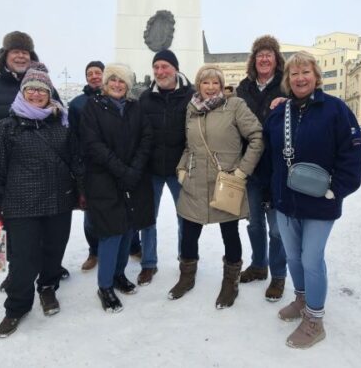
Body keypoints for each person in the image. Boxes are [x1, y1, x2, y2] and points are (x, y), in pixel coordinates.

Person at [263, 51, 361, 349]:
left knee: (311, 258)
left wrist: (338, 189)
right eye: (294, 74)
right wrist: (268, 192)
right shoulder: (279, 113)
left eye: (305, 72)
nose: (300, 78)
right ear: (287, 80)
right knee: (293, 257)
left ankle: (315, 320)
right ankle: (302, 299)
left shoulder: (336, 110)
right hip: (286, 201)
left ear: (316, 76)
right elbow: (269, 156)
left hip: (321, 202)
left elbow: (353, 154)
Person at [0, 31, 68, 291]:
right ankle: (18, 272)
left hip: (43, 170)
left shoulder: (47, 87)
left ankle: (47, 268)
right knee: (15, 227)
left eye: (26, 52)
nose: (21, 56)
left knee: (47, 226)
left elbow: (59, 120)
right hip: (5, 170)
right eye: (15, 51)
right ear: (4, 56)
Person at [0, 65, 82, 338]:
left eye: (42, 90)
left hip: (59, 202)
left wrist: (81, 191)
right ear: (23, 93)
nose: (36, 94)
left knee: (53, 252)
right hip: (21, 205)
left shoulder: (63, 124)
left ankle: (47, 288)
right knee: (23, 261)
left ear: (49, 94)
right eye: (31, 89)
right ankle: (16, 308)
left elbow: (76, 161)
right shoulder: (5, 128)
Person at [169, 65, 264, 309]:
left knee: (229, 233)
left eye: (215, 83)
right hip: (194, 181)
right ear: (198, 85)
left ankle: (230, 283)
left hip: (225, 183)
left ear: (222, 86)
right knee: (189, 232)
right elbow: (190, 146)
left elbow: (256, 137)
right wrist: (181, 169)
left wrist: (243, 171)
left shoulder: (235, 106)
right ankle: (186, 276)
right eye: (205, 82)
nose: (210, 88)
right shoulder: (192, 109)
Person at [79, 63, 155, 313]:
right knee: (111, 233)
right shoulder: (93, 107)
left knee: (128, 229)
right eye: (112, 80)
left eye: (122, 81)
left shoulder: (135, 108)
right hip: (104, 180)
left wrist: (134, 170)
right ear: (105, 83)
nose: (117, 84)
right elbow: (93, 144)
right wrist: (122, 170)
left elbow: (146, 138)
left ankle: (119, 275)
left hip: (134, 179)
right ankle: (105, 285)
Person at [236, 35, 288, 301]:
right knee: (254, 223)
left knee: (278, 229)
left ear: (276, 59)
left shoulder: (286, 85)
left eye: (269, 54)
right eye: (260, 55)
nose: (264, 59)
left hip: (279, 168)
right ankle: (259, 265)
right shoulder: (243, 88)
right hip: (252, 167)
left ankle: (278, 275)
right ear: (253, 60)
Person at [137, 49, 194, 286]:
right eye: (156, 67)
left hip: (179, 169)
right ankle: (149, 263)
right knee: (148, 218)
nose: (160, 72)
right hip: (151, 170)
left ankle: (186, 259)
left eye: (165, 67)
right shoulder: (145, 98)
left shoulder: (191, 95)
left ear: (175, 69)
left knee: (185, 217)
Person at [69, 60, 105, 272]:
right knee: (90, 213)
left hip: (114, 163)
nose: (94, 76)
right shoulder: (76, 104)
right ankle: (94, 251)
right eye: (89, 73)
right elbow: (72, 136)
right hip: (88, 165)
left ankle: (132, 246)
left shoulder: (116, 96)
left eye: (97, 72)